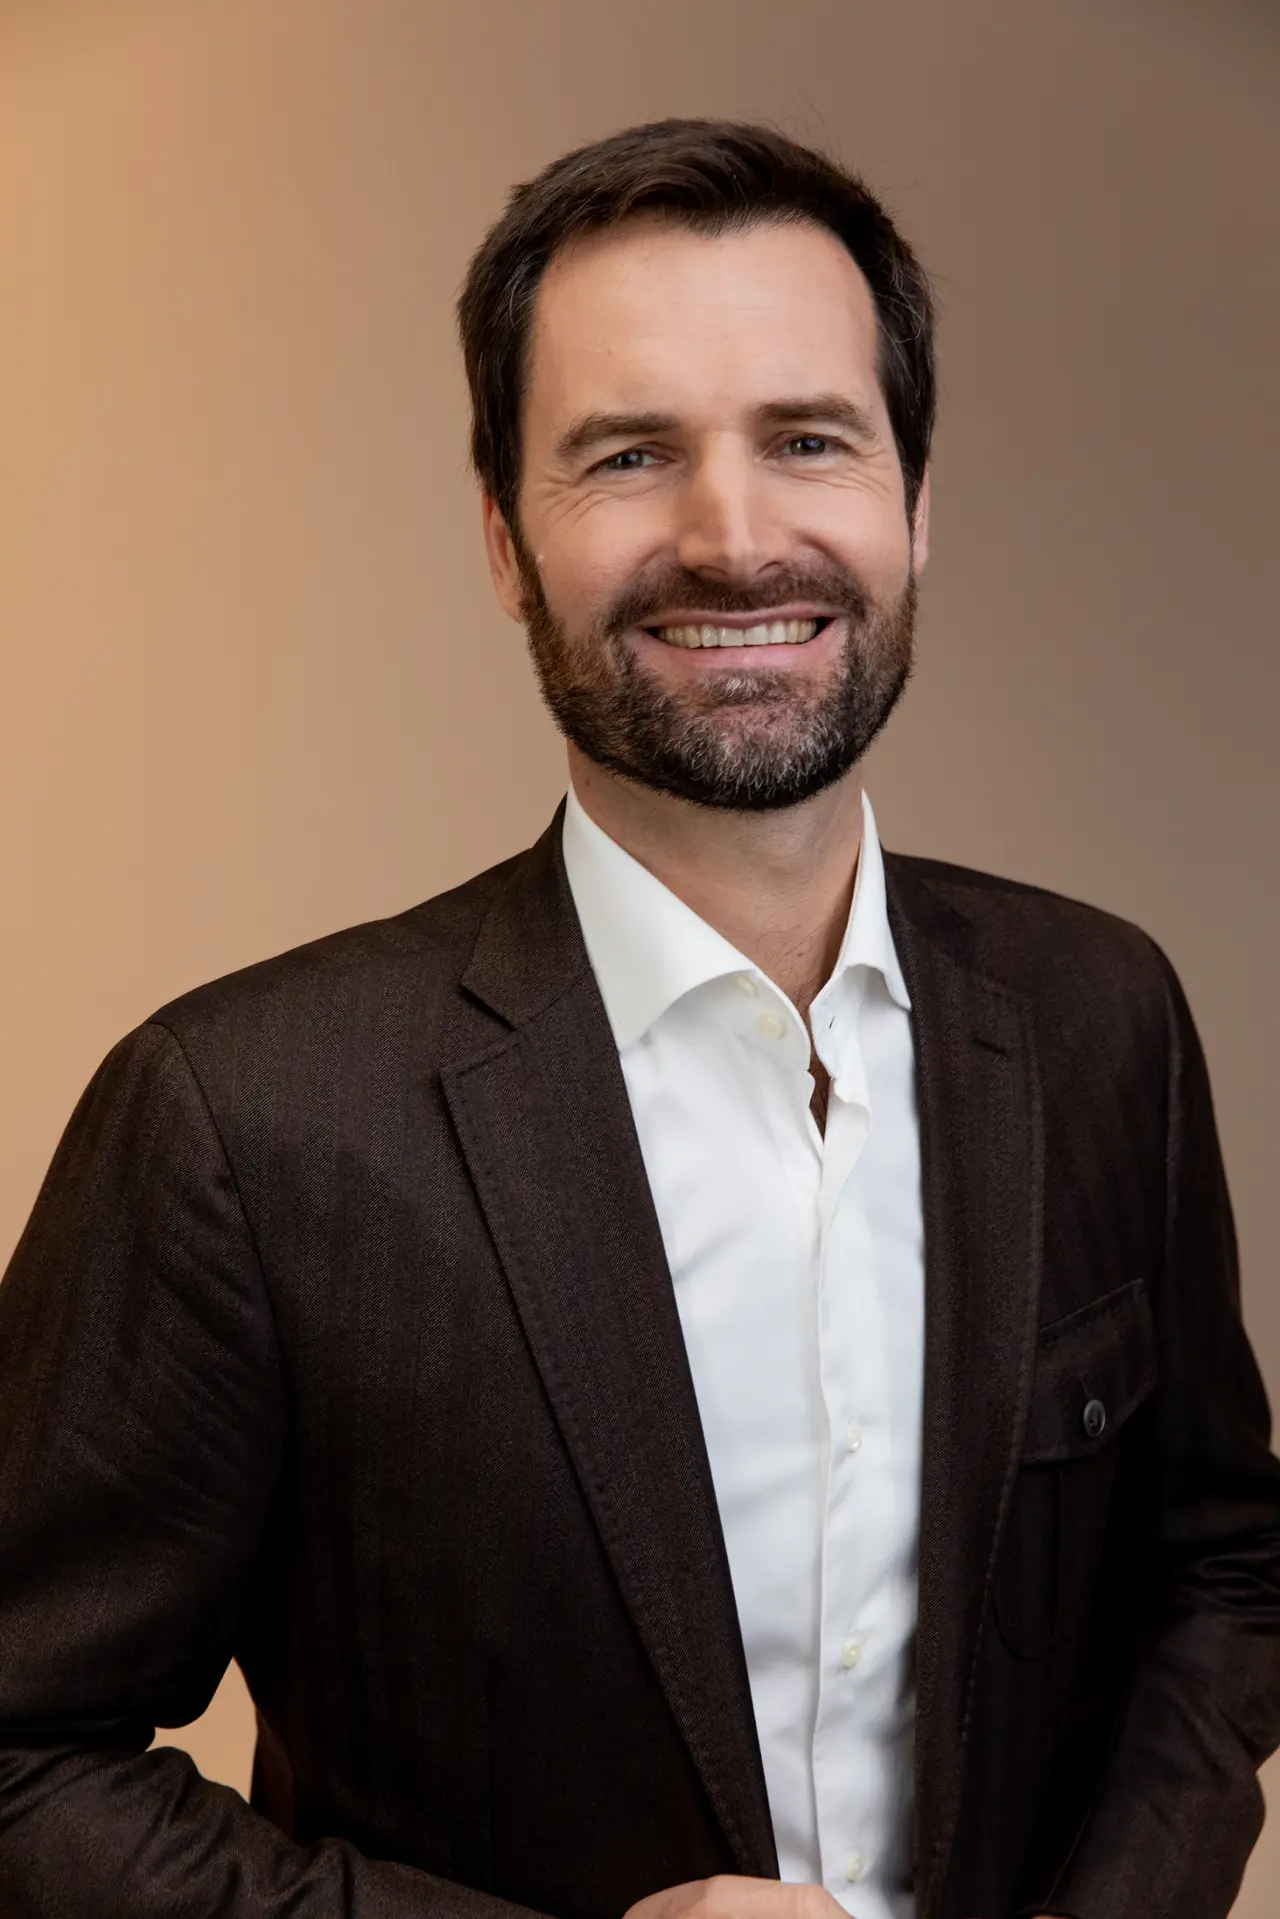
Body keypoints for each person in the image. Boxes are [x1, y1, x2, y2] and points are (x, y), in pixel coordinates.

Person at [0, 118, 1276, 1919]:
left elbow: (1221, 1571)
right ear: (505, 542)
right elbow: (20, 1760)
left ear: (915, 504)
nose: (734, 539)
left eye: (809, 439)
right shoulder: (240, 1120)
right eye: (628, 455)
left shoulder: (1102, 1015)